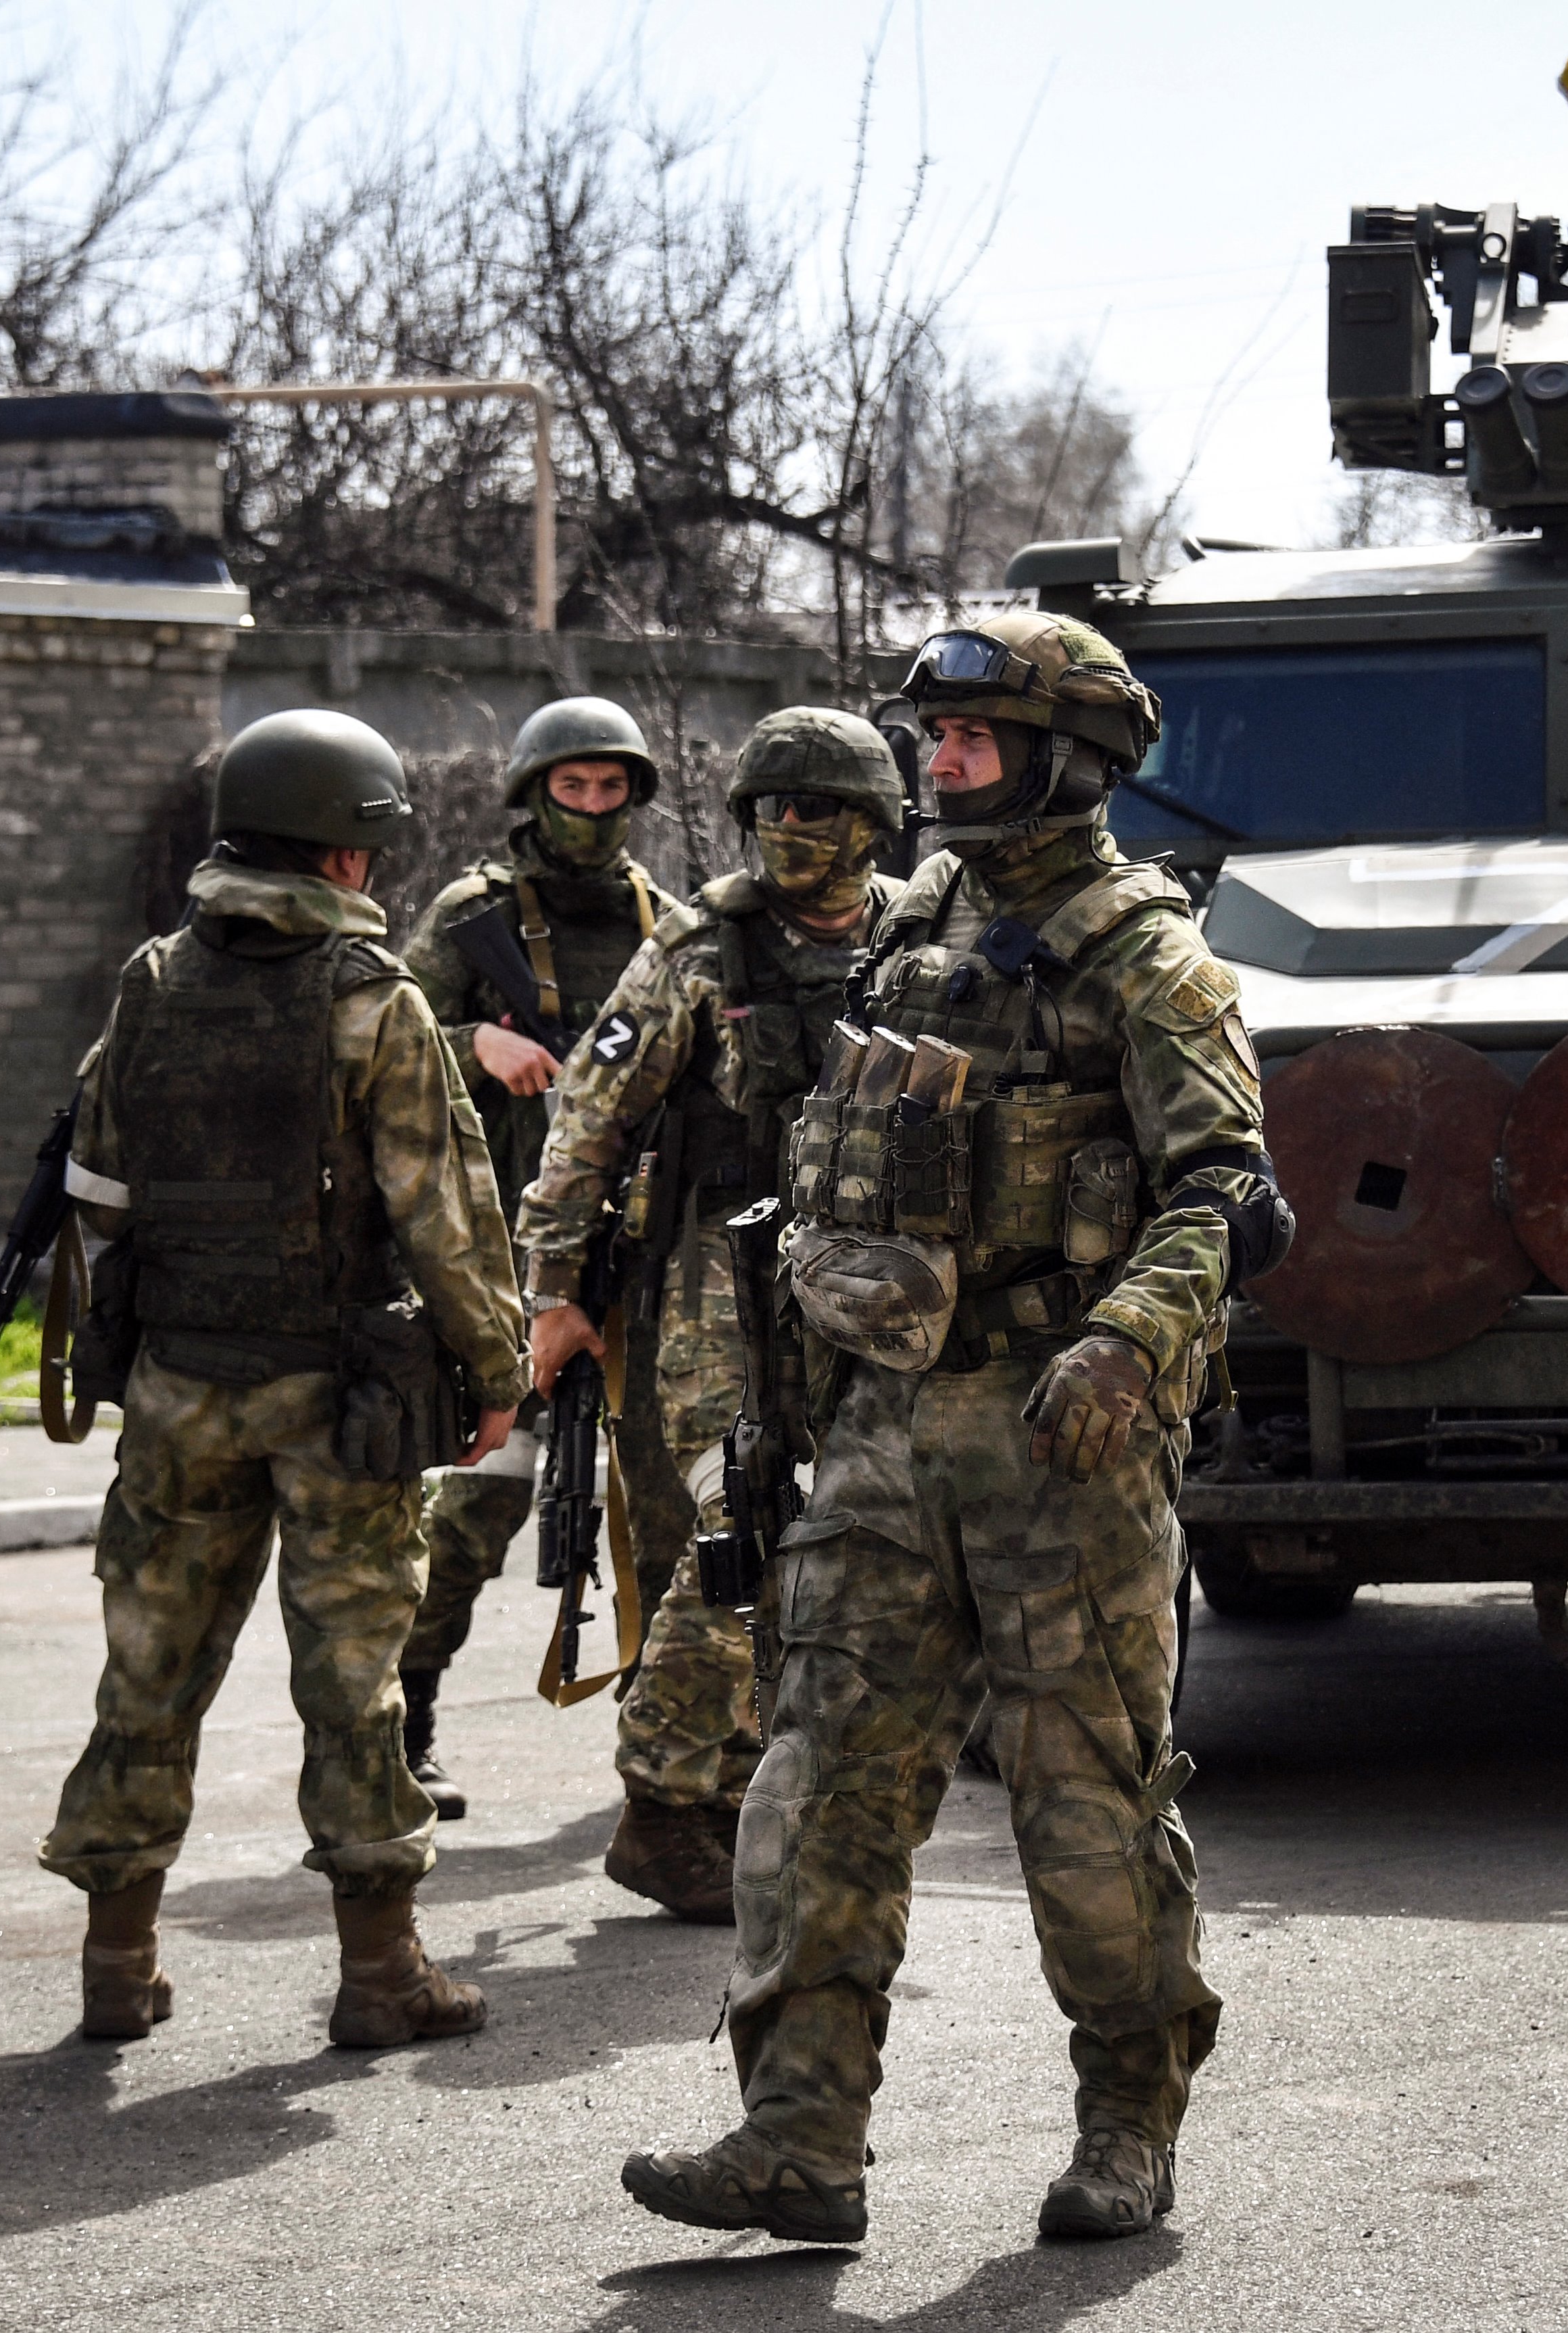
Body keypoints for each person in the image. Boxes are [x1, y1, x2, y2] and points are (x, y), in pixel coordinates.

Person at [620, 613, 1294, 2245]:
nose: (939, 763)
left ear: (1068, 759)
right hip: (880, 1428)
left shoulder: (1145, 953)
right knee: (814, 1783)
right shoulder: (908, 931)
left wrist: (1134, 1338)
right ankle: (797, 2143)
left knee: (1084, 1802)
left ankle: (1128, 2122)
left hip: (1064, 1436)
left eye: (973, 740)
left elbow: (1228, 1192)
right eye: (933, 738)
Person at [40, 708, 529, 2047]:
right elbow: (445, 1210)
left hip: (181, 1384)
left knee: (147, 1667)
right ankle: (380, 1978)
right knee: (353, 1679)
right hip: (340, 1400)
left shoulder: (153, 977)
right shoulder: (373, 999)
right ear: (352, 855)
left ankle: (115, 1962)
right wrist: (495, 1366)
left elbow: (99, 1182)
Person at [519, 707, 912, 1922]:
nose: (791, 831)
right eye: (770, 810)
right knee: (739, 1530)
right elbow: (587, 1121)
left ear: (872, 823)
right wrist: (553, 1292)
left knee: (848, 1542)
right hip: (718, 1285)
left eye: (817, 809)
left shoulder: (916, 935)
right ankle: (659, 1795)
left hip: (876, 1281)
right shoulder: (699, 950)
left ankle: (748, 1782)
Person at [395, 698, 687, 1817]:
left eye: (613, 789)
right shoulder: (473, 917)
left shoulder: (667, 924)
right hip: (503, 1265)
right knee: (478, 1505)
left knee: (657, 1508)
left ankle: (663, 1742)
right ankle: (405, 1725)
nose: (594, 808)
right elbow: (386, 1041)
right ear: (535, 793)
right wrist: (478, 1041)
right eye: (574, 788)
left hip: (642, 1256)